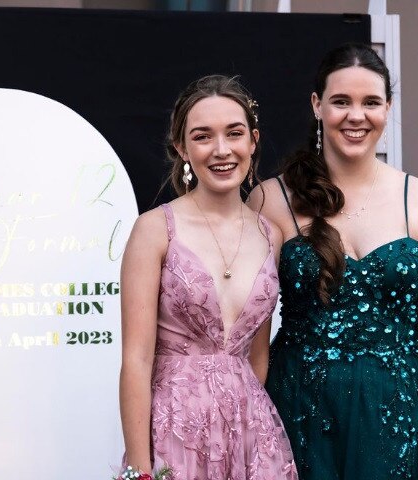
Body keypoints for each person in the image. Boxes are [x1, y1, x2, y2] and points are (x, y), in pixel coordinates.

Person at [247, 43, 418, 480]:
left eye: (370, 102)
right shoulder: (270, 200)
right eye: (341, 101)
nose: (356, 116)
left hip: (406, 412)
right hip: (302, 413)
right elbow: (250, 331)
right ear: (317, 105)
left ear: (388, 107)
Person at [118, 75, 298, 480]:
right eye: (203, 136)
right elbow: (136, 358)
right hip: (174, 431)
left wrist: (246, 427)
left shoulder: (272, 235)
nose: (222, 150)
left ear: (253, 140)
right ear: (182, 147)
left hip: (254, 436)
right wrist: (139, 469)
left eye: (234, 134)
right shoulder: (154, 229)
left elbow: (258, 355)